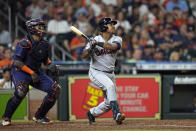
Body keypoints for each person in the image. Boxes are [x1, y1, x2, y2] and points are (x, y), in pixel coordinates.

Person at [1, 18, 61, 126]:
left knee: (55, 90)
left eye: (42, 26)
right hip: (20, 71)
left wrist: (51, 65)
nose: (42, 29)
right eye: (39, 26)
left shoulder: (45, 44)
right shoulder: (23, 43)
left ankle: (39, 116)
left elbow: (45, 59)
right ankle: (6, 117)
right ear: (32, 29)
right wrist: (31, 73)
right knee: (21, 91)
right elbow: (17, 62)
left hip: (36, 71)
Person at [82, 17, 125, 125]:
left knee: (109, 102)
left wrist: (96, 43)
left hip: (110, 73)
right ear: (104, 27)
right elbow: (83, 56)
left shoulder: (117, 38)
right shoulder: (95, 39)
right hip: (96, 72)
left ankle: (92, 113)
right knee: (109, 86)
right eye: (111, 24)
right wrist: (90, 47)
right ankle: (117, 114)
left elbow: (112, 47)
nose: (113, 26)